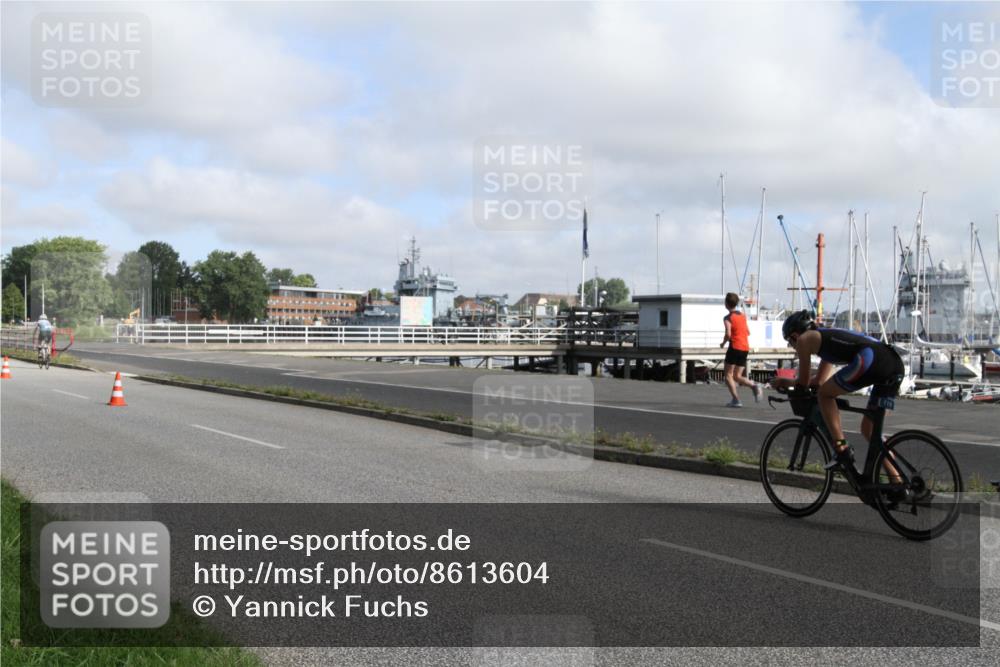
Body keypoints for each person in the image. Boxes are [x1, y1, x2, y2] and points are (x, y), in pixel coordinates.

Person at [771, 310, 905, 470]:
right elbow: (818, 381)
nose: (793, 347)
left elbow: (803, 383)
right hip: (893, 363)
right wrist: (803, 384)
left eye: (789, 342)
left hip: (871, 359)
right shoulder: (826, 338)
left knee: (824, 395)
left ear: (794, 335)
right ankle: (897, 483)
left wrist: (784, 382)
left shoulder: (804, 340)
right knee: (869, 430)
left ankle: (842, 449)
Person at [719, 292, 763, 407]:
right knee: (737, 376)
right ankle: (754, 386)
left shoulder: (728, 318)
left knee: (728, 374)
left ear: (726, 304)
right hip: (745, 347)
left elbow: (728, 334)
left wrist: (723, 343)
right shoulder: (742, 316)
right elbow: (748, 332)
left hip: (735, 346)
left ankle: (736, 400)